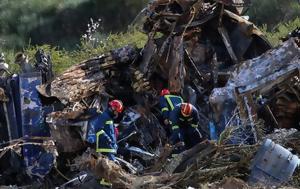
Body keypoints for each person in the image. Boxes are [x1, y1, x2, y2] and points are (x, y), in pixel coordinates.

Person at [88, 99, 124, 188]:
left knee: (109, 167)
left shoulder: (109, 118)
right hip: (105, 147)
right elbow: (98, 129)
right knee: (110, 167)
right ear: (113, 108)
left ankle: (106, 184)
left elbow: (110, 132)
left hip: (109, 147)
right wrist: (107, 139)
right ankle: (106, 185)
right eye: (117, 112)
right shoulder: (105, 116)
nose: (117, 114)